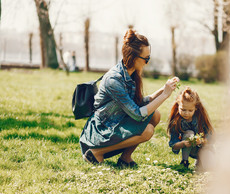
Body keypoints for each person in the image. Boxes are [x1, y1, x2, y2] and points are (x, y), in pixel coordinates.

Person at [80, 29, 179, 167]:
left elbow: (137, 103)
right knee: (147, 131)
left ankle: (125, 159)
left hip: (116, 122)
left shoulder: (130, 74)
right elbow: (138, 114)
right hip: (102, 130)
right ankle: (96, 152)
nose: (147, 62)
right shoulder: (114, 80)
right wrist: (165, 95)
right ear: (133, 57)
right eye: (146, 59)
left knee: (155, 115)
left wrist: (164, 88)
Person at [167, 87, 213, 169]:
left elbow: (211, 137)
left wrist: (202, 141)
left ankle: (200, 162)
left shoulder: (200, 118)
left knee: (209, 167)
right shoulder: (176, 122)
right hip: (189, 149)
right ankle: (184, 161)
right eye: (183, 109)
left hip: (203, 148)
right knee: (189, 133)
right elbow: (173, 145)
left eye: (190, 110)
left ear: (196, 108)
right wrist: (183, 143)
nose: (186, 113)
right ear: (178, 106)